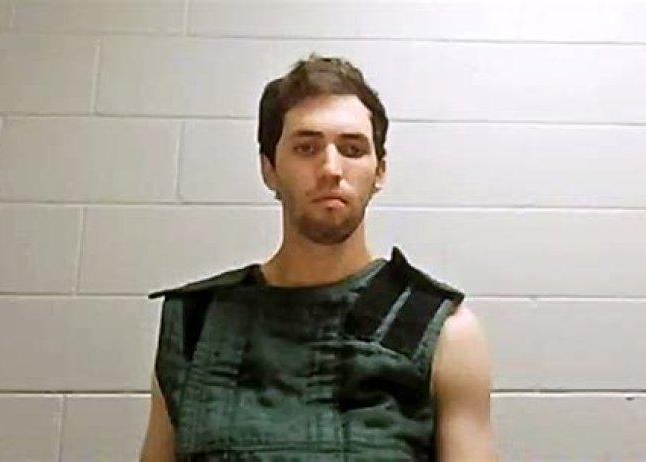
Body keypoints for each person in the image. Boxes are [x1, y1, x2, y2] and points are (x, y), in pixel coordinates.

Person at [141, 54, 497, 461]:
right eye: (306, 148)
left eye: (352, 149)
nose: (330, 168)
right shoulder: (195, 323)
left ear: (379, 171)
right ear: (270, 169)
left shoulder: (444, 331)